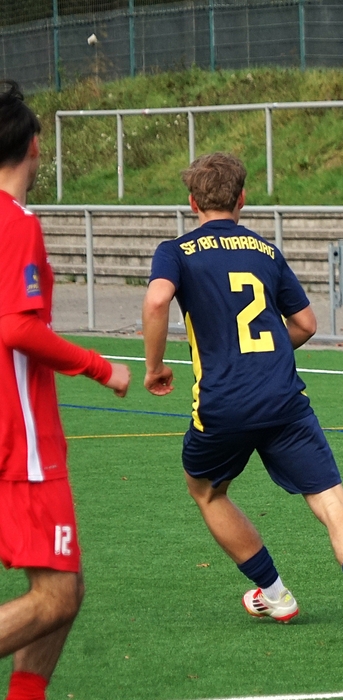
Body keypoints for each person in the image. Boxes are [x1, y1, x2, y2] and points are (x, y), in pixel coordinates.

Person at [142, 152, 343, 636]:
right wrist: (270, 353)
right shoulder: (265, 251)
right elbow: (306, 324)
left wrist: (154, 368)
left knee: (206, 491)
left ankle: (274, 594)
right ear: (242, 199)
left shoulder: (175, 251)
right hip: (283, 399)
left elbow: (156, 299)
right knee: (332, 501)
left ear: (192, 202)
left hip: (223, 403)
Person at [0, 80, 131, 700]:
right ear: (34, 146)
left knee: (66, 589)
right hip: (19, 437)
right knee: (55, 596)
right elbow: (17, 328)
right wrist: (100, 367)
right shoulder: (17, 222)